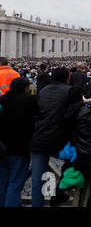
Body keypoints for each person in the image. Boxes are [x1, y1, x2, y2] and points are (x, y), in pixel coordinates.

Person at [29, 67, 71, 207]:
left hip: (39, 139)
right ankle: (59, 193)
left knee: (37, 181)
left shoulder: (43, 91)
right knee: (77, 162)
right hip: (59, 139)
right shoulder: (69, 91)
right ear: (67, 78)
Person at [0, 78, 38, 207]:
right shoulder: (29, 101)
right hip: (19, 148)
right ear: (25, 88)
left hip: (2, 148)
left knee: (2, 183)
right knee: (15, 184)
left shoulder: (3, 100)